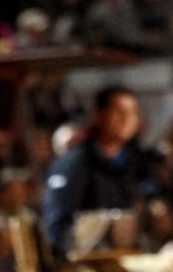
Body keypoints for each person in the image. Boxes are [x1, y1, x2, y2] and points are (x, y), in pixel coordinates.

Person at [42, 86, 145, 259]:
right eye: (119, 112)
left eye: (133, 112)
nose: (127, 119)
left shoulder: (132, 162)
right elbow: (57, 228)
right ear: (99, 115)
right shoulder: (75, 164)